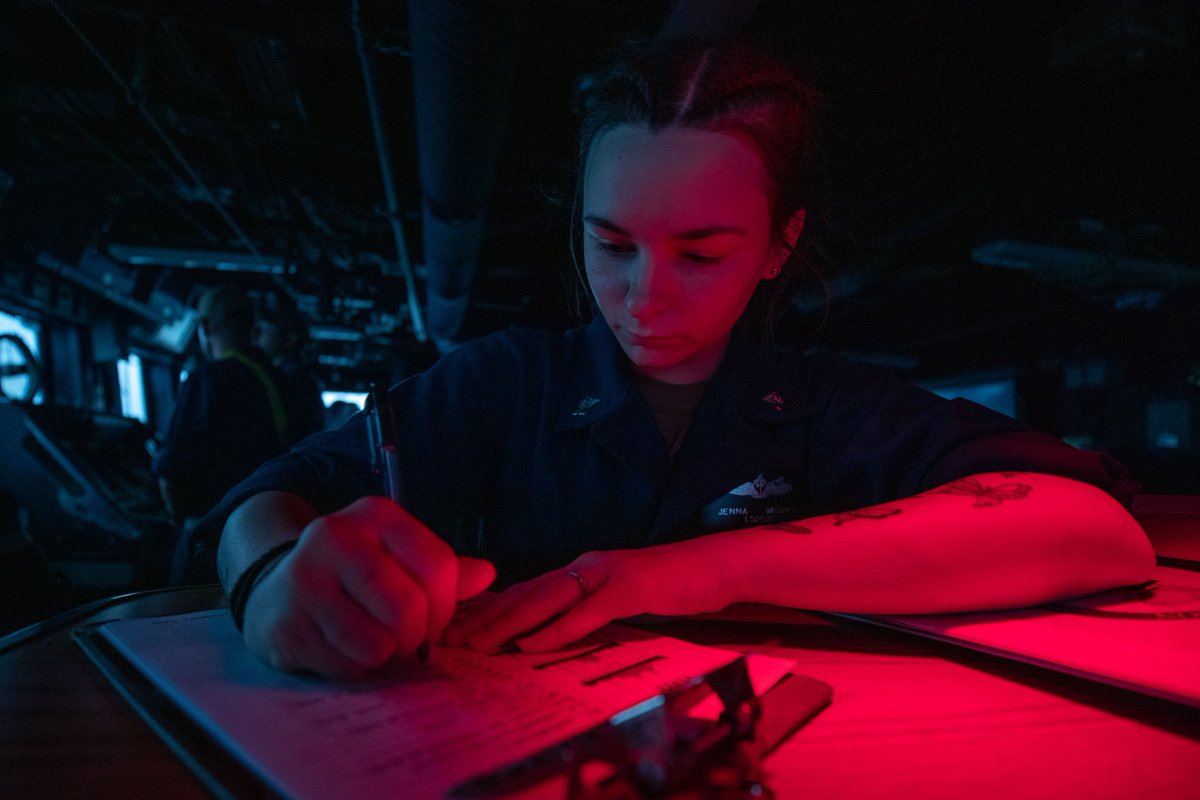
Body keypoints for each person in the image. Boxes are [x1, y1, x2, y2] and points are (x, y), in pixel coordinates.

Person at [201, 40, 1153, 679]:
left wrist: (694, 570)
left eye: (701, 254)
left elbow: (1095, 528)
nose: (644, 297)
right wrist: (271, 580)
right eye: (611, 245)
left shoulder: (829, 405)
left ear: (781, 246)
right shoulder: (506, 382)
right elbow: (267, 494)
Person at [153, 286, 298, 523]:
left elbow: (173, 477)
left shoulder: (207, 379)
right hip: (276, 523)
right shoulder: (284, 382)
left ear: (206, 327)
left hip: (215, 531)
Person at [254, 301, 326, 439]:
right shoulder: (298, 376)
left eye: (267, 329)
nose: (258, 336)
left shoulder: (291, 379)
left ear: (290, 338)